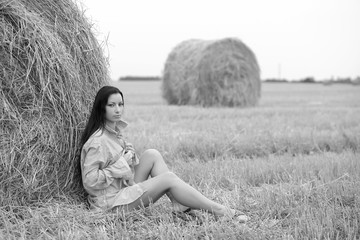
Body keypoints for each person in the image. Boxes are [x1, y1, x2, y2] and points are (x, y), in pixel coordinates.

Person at [79, 85, 248, 223]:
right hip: (111, 203)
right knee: (169, 178)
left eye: (120, 104)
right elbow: (90, 182)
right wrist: (122, 162)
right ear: (101, 108)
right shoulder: (98, 141)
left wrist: (128, 154)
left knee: (152, 154)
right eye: (111, 105)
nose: (118, 109)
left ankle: (178, 205)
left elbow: (122, 164)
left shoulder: (114, 132)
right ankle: (221, 211)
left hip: (121, 189)